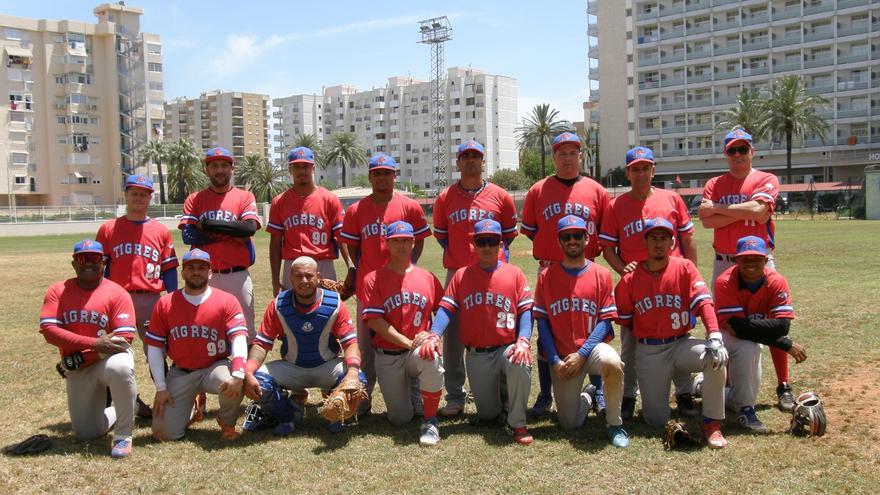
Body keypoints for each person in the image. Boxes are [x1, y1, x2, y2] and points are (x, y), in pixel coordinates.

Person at [698, 129, 794, 411]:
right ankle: (726, 383)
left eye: (743, 149)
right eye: (732, 150)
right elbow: (706, 221)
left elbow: (758, 211)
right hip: (724, 260)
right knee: (725, 323)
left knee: (773, 320)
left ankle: (784, 384)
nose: (737, 155)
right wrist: (743, 210)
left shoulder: (765, 179)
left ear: (752, 151)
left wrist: (720, 209)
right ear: (726, 154)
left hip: (759, 260)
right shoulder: (715, 183)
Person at [599, 147, 698, 419]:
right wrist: (624, 271)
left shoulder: (671, 199)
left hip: (671, 281)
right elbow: (608, 248)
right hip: (637, 287)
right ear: (628, 172)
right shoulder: (616, 205)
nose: (641, 173)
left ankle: (685, 392)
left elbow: (688, 240)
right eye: (635, 168)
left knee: (679, 335)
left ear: (653, 170)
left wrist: (690, 278)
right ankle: (629, 394)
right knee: (631, 341)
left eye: (645, 168)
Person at [614, 219, 730, 448]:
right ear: (644, 242)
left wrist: (714, 335)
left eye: (664, 238)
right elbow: (625, 319)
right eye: (653, 239)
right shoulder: (630, 278)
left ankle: (712, 423)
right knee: (655, 419)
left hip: (680, 343)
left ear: (672, 242)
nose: (659, 244)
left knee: (714, 358)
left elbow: (704, 303)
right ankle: (693, 385)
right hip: (649, 350)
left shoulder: (685, 267)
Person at [521, 131, 611, 418]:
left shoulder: (597, 190)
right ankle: (546, 393)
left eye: (573, 152)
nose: (568, 158)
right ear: (555, 157)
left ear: (580, 156)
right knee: (546, 328)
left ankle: (597, 390)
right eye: (562, 153)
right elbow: (533, 230)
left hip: (587, 268)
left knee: (593, 326)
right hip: (550, 267)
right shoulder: (538, 190)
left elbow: (605, 232)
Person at [426, 219, 535, 445]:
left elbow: (526, 311)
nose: (487, 247)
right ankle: (502, 403)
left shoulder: (514, 273)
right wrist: (435, 333)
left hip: (507, 347)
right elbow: (446, 309)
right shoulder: (462, 275)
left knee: (520, 361)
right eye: (482, 241)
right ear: (473, 244)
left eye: (492, 241)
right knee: (487, 415)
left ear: (501, 244)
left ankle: (518, 423)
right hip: (477, 355)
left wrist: (523, 340)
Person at [432, 139, 518, 418]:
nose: (470, 160)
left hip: (493, 272)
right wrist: (461, 257)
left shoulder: (500, 195)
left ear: (483, 162)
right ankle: (455, 395)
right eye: (465, 156)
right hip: (458, 271)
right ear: (457, 162)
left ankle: (503, 391)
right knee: (453, 336)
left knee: (497, 329)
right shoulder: (445, 197)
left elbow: (507, 235)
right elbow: (442, 235)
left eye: (476, 155)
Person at [339, 153, 431, 415]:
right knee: (367, 345)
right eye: (376, 173)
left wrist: (406, 268)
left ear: (394, 175)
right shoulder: (356, 209)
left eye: (386, 172)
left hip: (401, 285)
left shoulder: (409, 206)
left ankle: (414, 394)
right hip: (370, 286)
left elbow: (420, 240)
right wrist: (360, 275)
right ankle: (363, 399)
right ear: (370, 176)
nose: (381, 177)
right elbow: (353, 247)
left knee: (406, 339)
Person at [533, 215, 628, 447]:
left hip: (592, 350)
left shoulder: (601, 274)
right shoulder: (546, 276)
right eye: (566, 236)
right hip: (564, 358)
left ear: (587, 238)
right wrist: (554, 360)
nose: (572, 240)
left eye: (577, 235)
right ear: (559, 241)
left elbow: (606, 320)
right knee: (569, 424)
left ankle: (614, 423)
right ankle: (588, 395)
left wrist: (583, 352)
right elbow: (542, 322)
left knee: (613, 363)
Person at [39, 239, 138, 458]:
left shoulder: (117, 292)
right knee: (86, 433)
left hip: (107, 358)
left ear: (103, 263)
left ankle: (123, 435)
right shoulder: (58, 291)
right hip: (82, 363)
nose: (88, 263)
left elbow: (124, 338)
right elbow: (48, 331)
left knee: (121, 368)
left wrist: (86, 355)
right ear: (74, 263)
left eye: (94, 258)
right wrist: (93, 344)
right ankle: (131, 408)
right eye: (82, 259)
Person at [243, 256, 363, 435]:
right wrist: (248, 372)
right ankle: (288, 414)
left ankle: (337, 415)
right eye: (298, 276)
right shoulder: (278, 305)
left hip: (327, 367)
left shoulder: (334, 303)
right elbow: (262, 344)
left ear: (318, 277)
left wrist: (352, 372)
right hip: (293, 367)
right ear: (290, 278)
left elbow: (350, 342)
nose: (304, 281)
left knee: (359, 378)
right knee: (258, 382)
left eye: (309, 276)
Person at [96, 174, 178, 418]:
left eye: (144, 193)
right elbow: (102, 267)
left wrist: (173, 299)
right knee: (112, 351)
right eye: (134, 192)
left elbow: (169, 269)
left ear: (150, 197)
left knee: (156, 349)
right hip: (117, 298)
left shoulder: (161, 231)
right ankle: (115, 405)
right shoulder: (108, 228)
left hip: (151, 297)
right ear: (126, 194)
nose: (139, 197)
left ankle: (167, 401)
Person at [146, 249, 248, 441]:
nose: (196, 272)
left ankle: (227, 421)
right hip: (181, 372)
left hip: (214, 367)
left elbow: (239, 338)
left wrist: (239, 374)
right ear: (183, 273)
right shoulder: (165, 303)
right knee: (163, 434)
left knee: (232, 380)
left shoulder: (226, 300)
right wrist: (161, 388)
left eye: (202, 268)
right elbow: (154, 346)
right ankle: (191, 407)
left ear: (210, 273)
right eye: (190, 267)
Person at [360, 221, 445, 446]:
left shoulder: (427, 277)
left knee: (432, 356)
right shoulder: (373, 278)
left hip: (417, 350)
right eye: (396, 240)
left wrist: (434, 335)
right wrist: (408, 342)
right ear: (387, 243)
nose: (401, 245)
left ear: (413, 242)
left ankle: (430, 421)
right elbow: (375, 322)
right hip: (388, 354)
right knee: (401, 418)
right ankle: (414, 390)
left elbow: (444, 312)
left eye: (406, 240)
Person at [713, 235, 807, 433]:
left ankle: (715, 392)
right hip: (722, 335)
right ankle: (746, 410)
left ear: (766, 260)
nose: (750, 264)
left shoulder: (776, 281)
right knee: (748, 348)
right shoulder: (725, 281)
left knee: (750, 347)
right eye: (745, 259)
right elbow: (735, 328)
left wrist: (780, 338)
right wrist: (785, 344)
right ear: (736, 260)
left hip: (746, 334)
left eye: (756, 258)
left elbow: (782, 326)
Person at [178, 146, 261, 339]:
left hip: (237, 275)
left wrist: (206, 224)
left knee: (245, 330)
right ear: (206, 169)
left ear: (232, 169)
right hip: (206, 276)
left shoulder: (244, 197)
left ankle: (246, 369)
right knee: (206, 329)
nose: (220, 170)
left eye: (224, 165)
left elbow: (249, 229)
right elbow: (189, 236)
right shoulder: (195, 199)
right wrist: (233, 232)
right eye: (214, 165)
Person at [267, 146, 353, 295]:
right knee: (292, 315)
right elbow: (275, 243)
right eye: (297, 167)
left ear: (313, 168)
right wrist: (275, 280)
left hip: (323, 263)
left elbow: (340, 236)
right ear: (290, 169)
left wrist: (350, 265)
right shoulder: (279, 202)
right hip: (293, 264)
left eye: (305, 166)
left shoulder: (329, 199)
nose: (301, 171)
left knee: (327, 313)